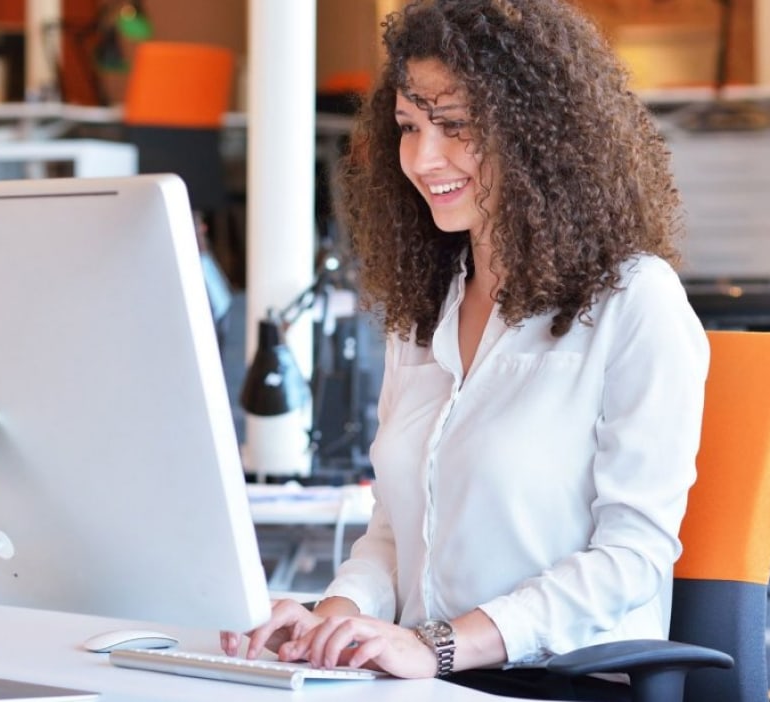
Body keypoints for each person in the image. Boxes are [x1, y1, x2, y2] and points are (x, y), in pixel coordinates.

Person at [221, 1, 710, 699]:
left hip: (558, 679)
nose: (424, 158)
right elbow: (393, 534)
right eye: (410, 127)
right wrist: (330, 622)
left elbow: (631, 559)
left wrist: (440, 645)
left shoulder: (636, 301)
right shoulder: (425, 309)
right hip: (418, 679)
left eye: (455, 128)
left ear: (537, 135)